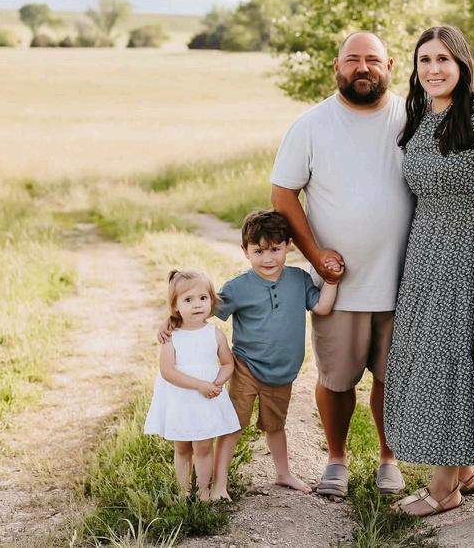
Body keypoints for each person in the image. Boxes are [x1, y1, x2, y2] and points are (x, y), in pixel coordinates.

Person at [271, 31, 414, 498]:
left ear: (390, 66)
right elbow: (283, 195)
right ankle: (336, 459)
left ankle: (389, 459)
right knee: (336, 379)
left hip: (406, 279)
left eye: (372, 59)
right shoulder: (311, 125)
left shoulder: (414, 119)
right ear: (337, 67)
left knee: (393, 378)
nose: (362, 68)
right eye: (352, 59)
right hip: (340, 285)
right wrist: (316, 256)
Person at [384, 25, 474, 517]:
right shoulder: (420, 113)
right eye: (424, 60)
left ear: (462, 62)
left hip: (470, 247)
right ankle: (471, 468)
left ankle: (443, 488)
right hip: (424, 250)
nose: (433, 69)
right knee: (428, 354)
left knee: (450, 358)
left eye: (443, 59)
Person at [158, 211, 339, 500]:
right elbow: (202, 310)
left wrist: (331, 280)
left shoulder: (299, 279)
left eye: (275, 249)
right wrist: (172, 320)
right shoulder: (238, 287)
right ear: (245, 251)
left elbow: (322, 307)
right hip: (246, 367)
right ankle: (219, 484)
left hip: (283, 371)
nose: (268, 258)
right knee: (232, 425)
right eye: (258, 251)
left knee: (275, 425)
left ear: (288, 246)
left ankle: (283, 473)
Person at [145, 269, 240, 501]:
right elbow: (167, 371)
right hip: (181, 399)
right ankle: (183, 490)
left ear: (211, 300)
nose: (197, 304)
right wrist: (199, 385)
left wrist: (217, 382)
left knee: (204, 446)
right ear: (175, 306)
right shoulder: (172, 336)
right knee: (182, 447)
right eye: (188, 300)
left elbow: (228, 363)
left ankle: (204, 491)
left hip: (206, 398)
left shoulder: (215, 334)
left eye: (203, 298)